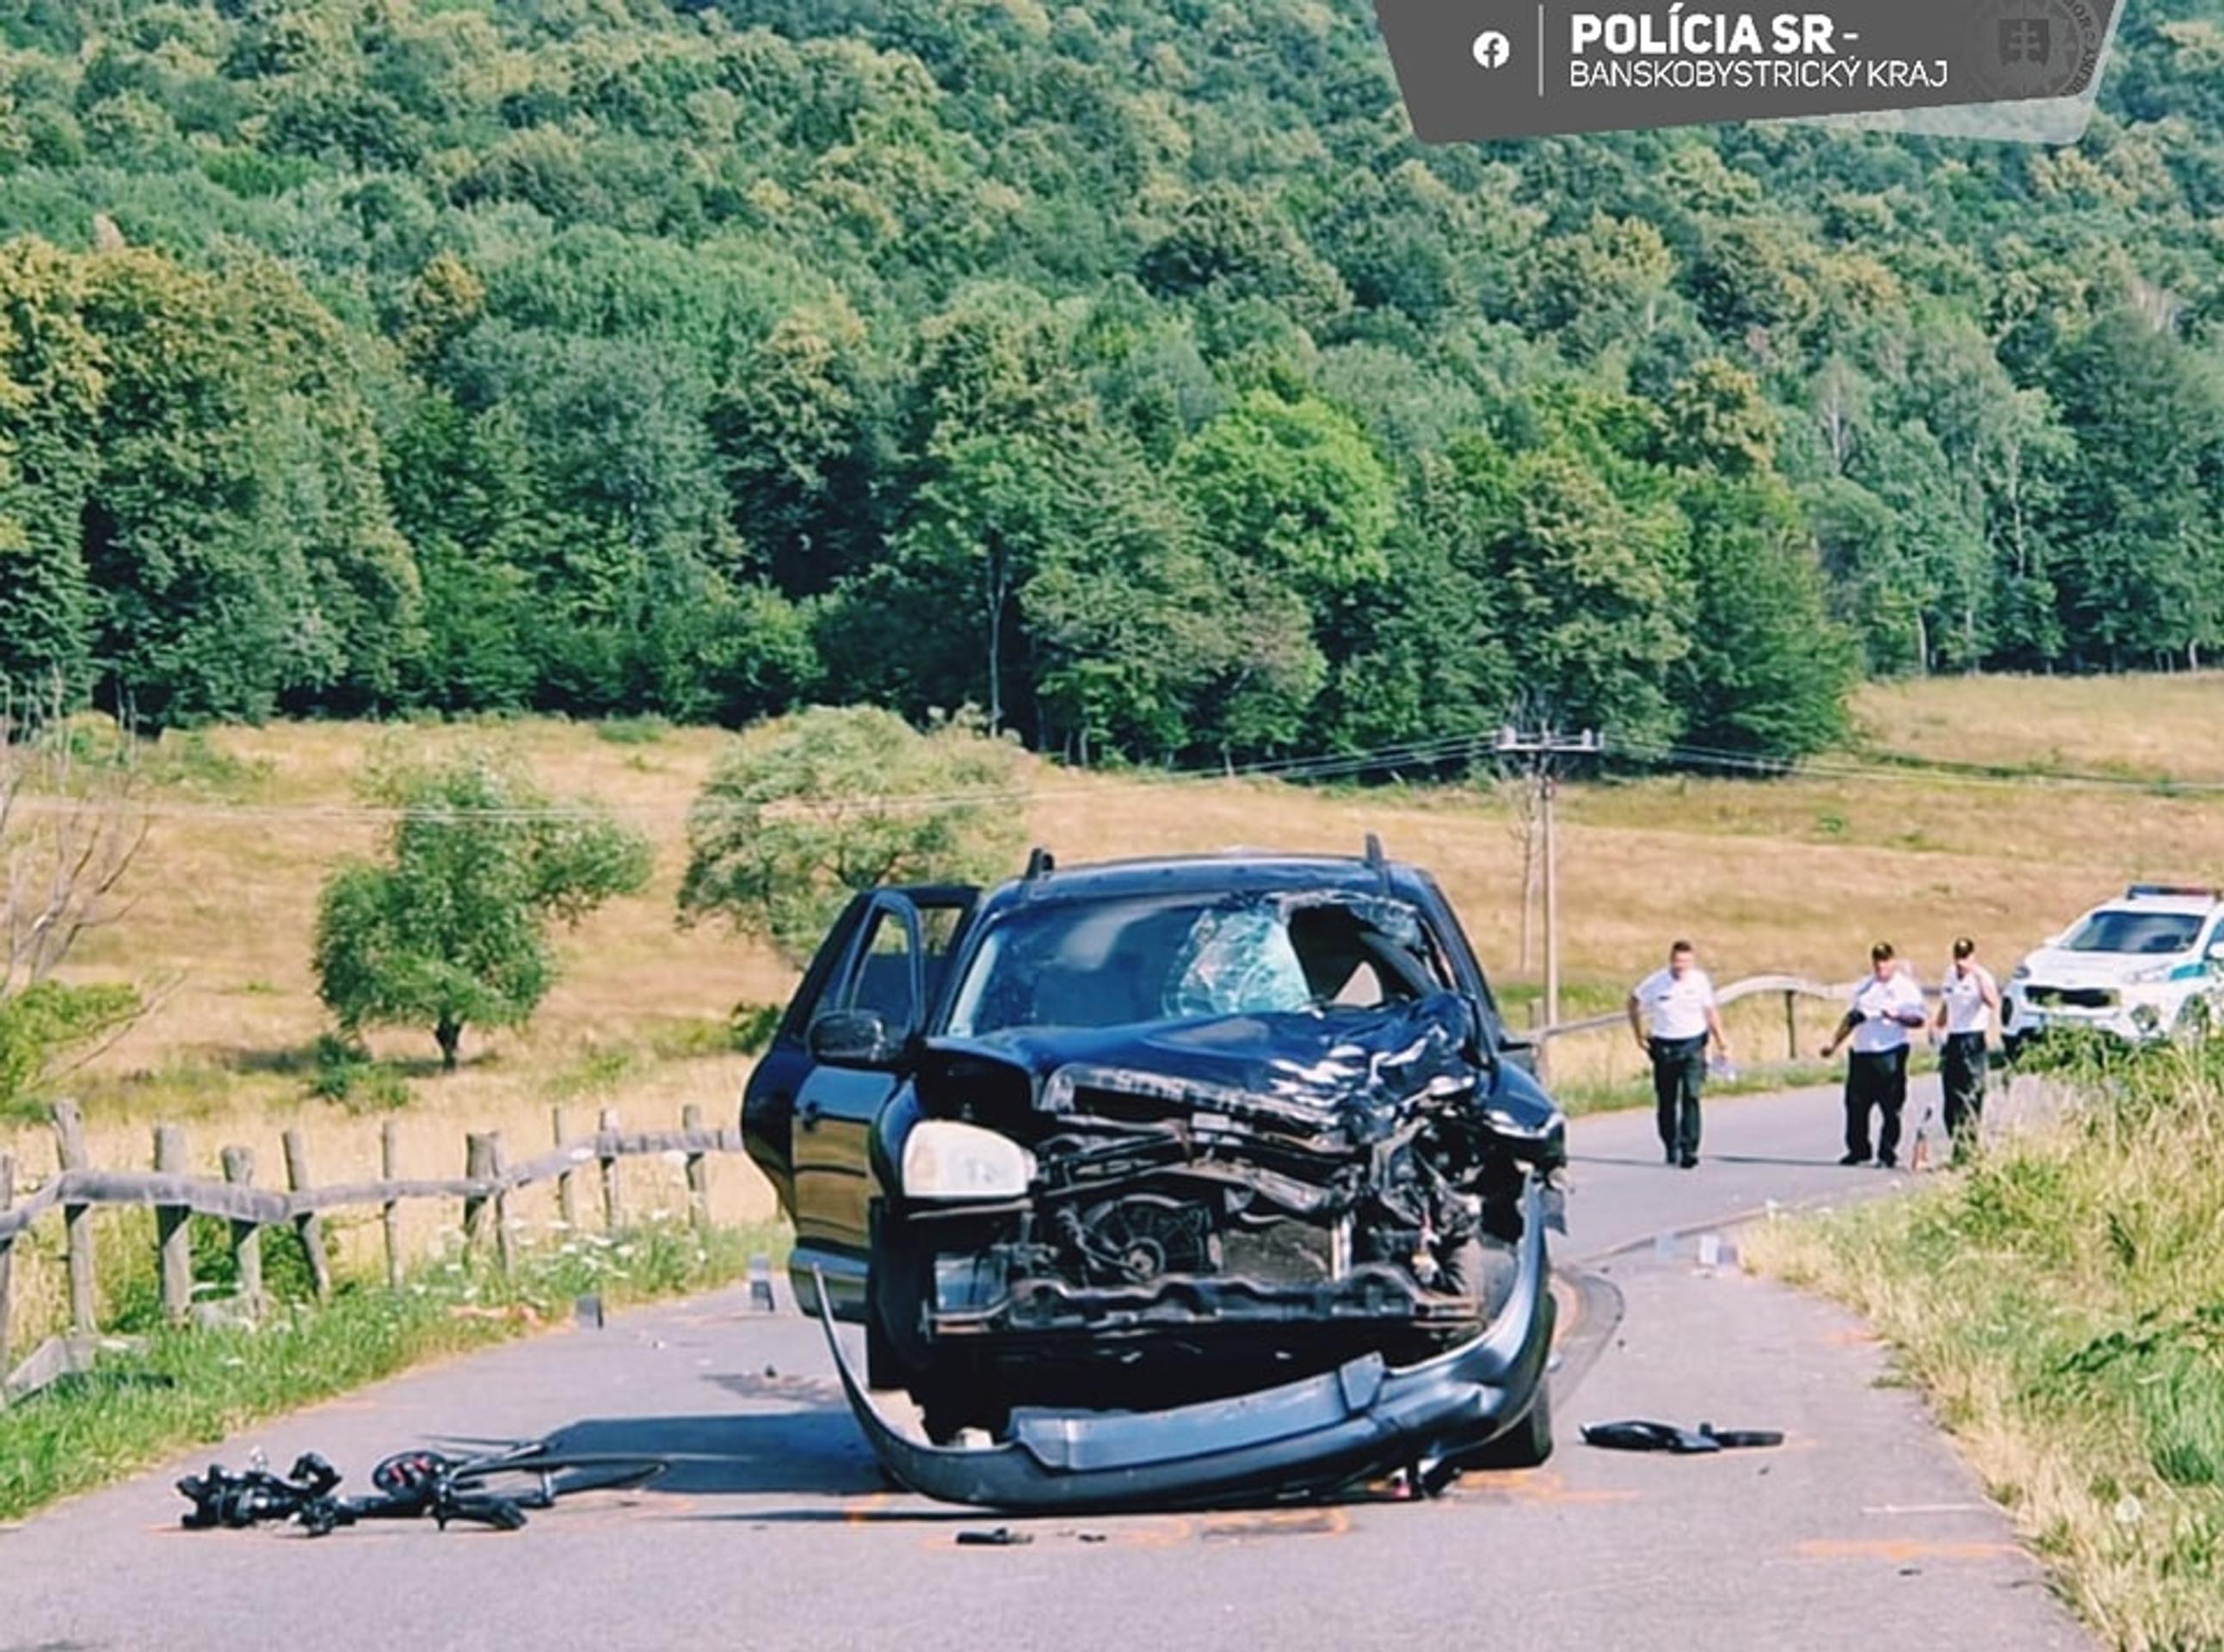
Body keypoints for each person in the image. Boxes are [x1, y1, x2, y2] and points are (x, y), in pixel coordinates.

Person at [1820, 942, 1928, 1168]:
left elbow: (1919, 1020)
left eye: (1885, 961)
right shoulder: (1865, 987)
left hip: (1890, 1052)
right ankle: (1858, 1150)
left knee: (1890, 1107)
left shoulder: (1905, 988)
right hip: (1863, 1053)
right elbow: (1852, 1018)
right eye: (1878, 962)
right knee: (1855, 1105)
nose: (1881, 966)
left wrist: (1897, 1016)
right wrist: (1834, 1044)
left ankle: (1887, 1153)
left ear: (1893, 962)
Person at [1628, 940, 1731, 1168]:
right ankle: (1670, 1144)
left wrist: (1722, 1041)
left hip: (1693, 1043)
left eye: (1684, 962)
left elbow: (1710, 1011)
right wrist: (1639, 1034)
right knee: (1667, 1099)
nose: (1680, 967)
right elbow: (1634, 1001)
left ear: (1692, 962)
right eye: (1676, 962)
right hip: (1664, 1045)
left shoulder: (1700, 981)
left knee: (1691, 1095)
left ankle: (1690, 1148)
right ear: (1670, 961)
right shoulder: (1657, 982)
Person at [1933, 935, 2000, 1160]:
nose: (1961, 962)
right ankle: (1957, 1142)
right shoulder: (1950, 975)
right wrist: (1937, 1025)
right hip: (1954, 1038)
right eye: (1958, 957)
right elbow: (1947, 1004)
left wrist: (1977, 976)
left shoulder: (1981, 977)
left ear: (1972, 956)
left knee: (1970, 1096)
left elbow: (1992, 1002)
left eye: (1965, 957)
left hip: (1973, 1038)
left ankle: (1967, 1150)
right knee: (1950, 1099)